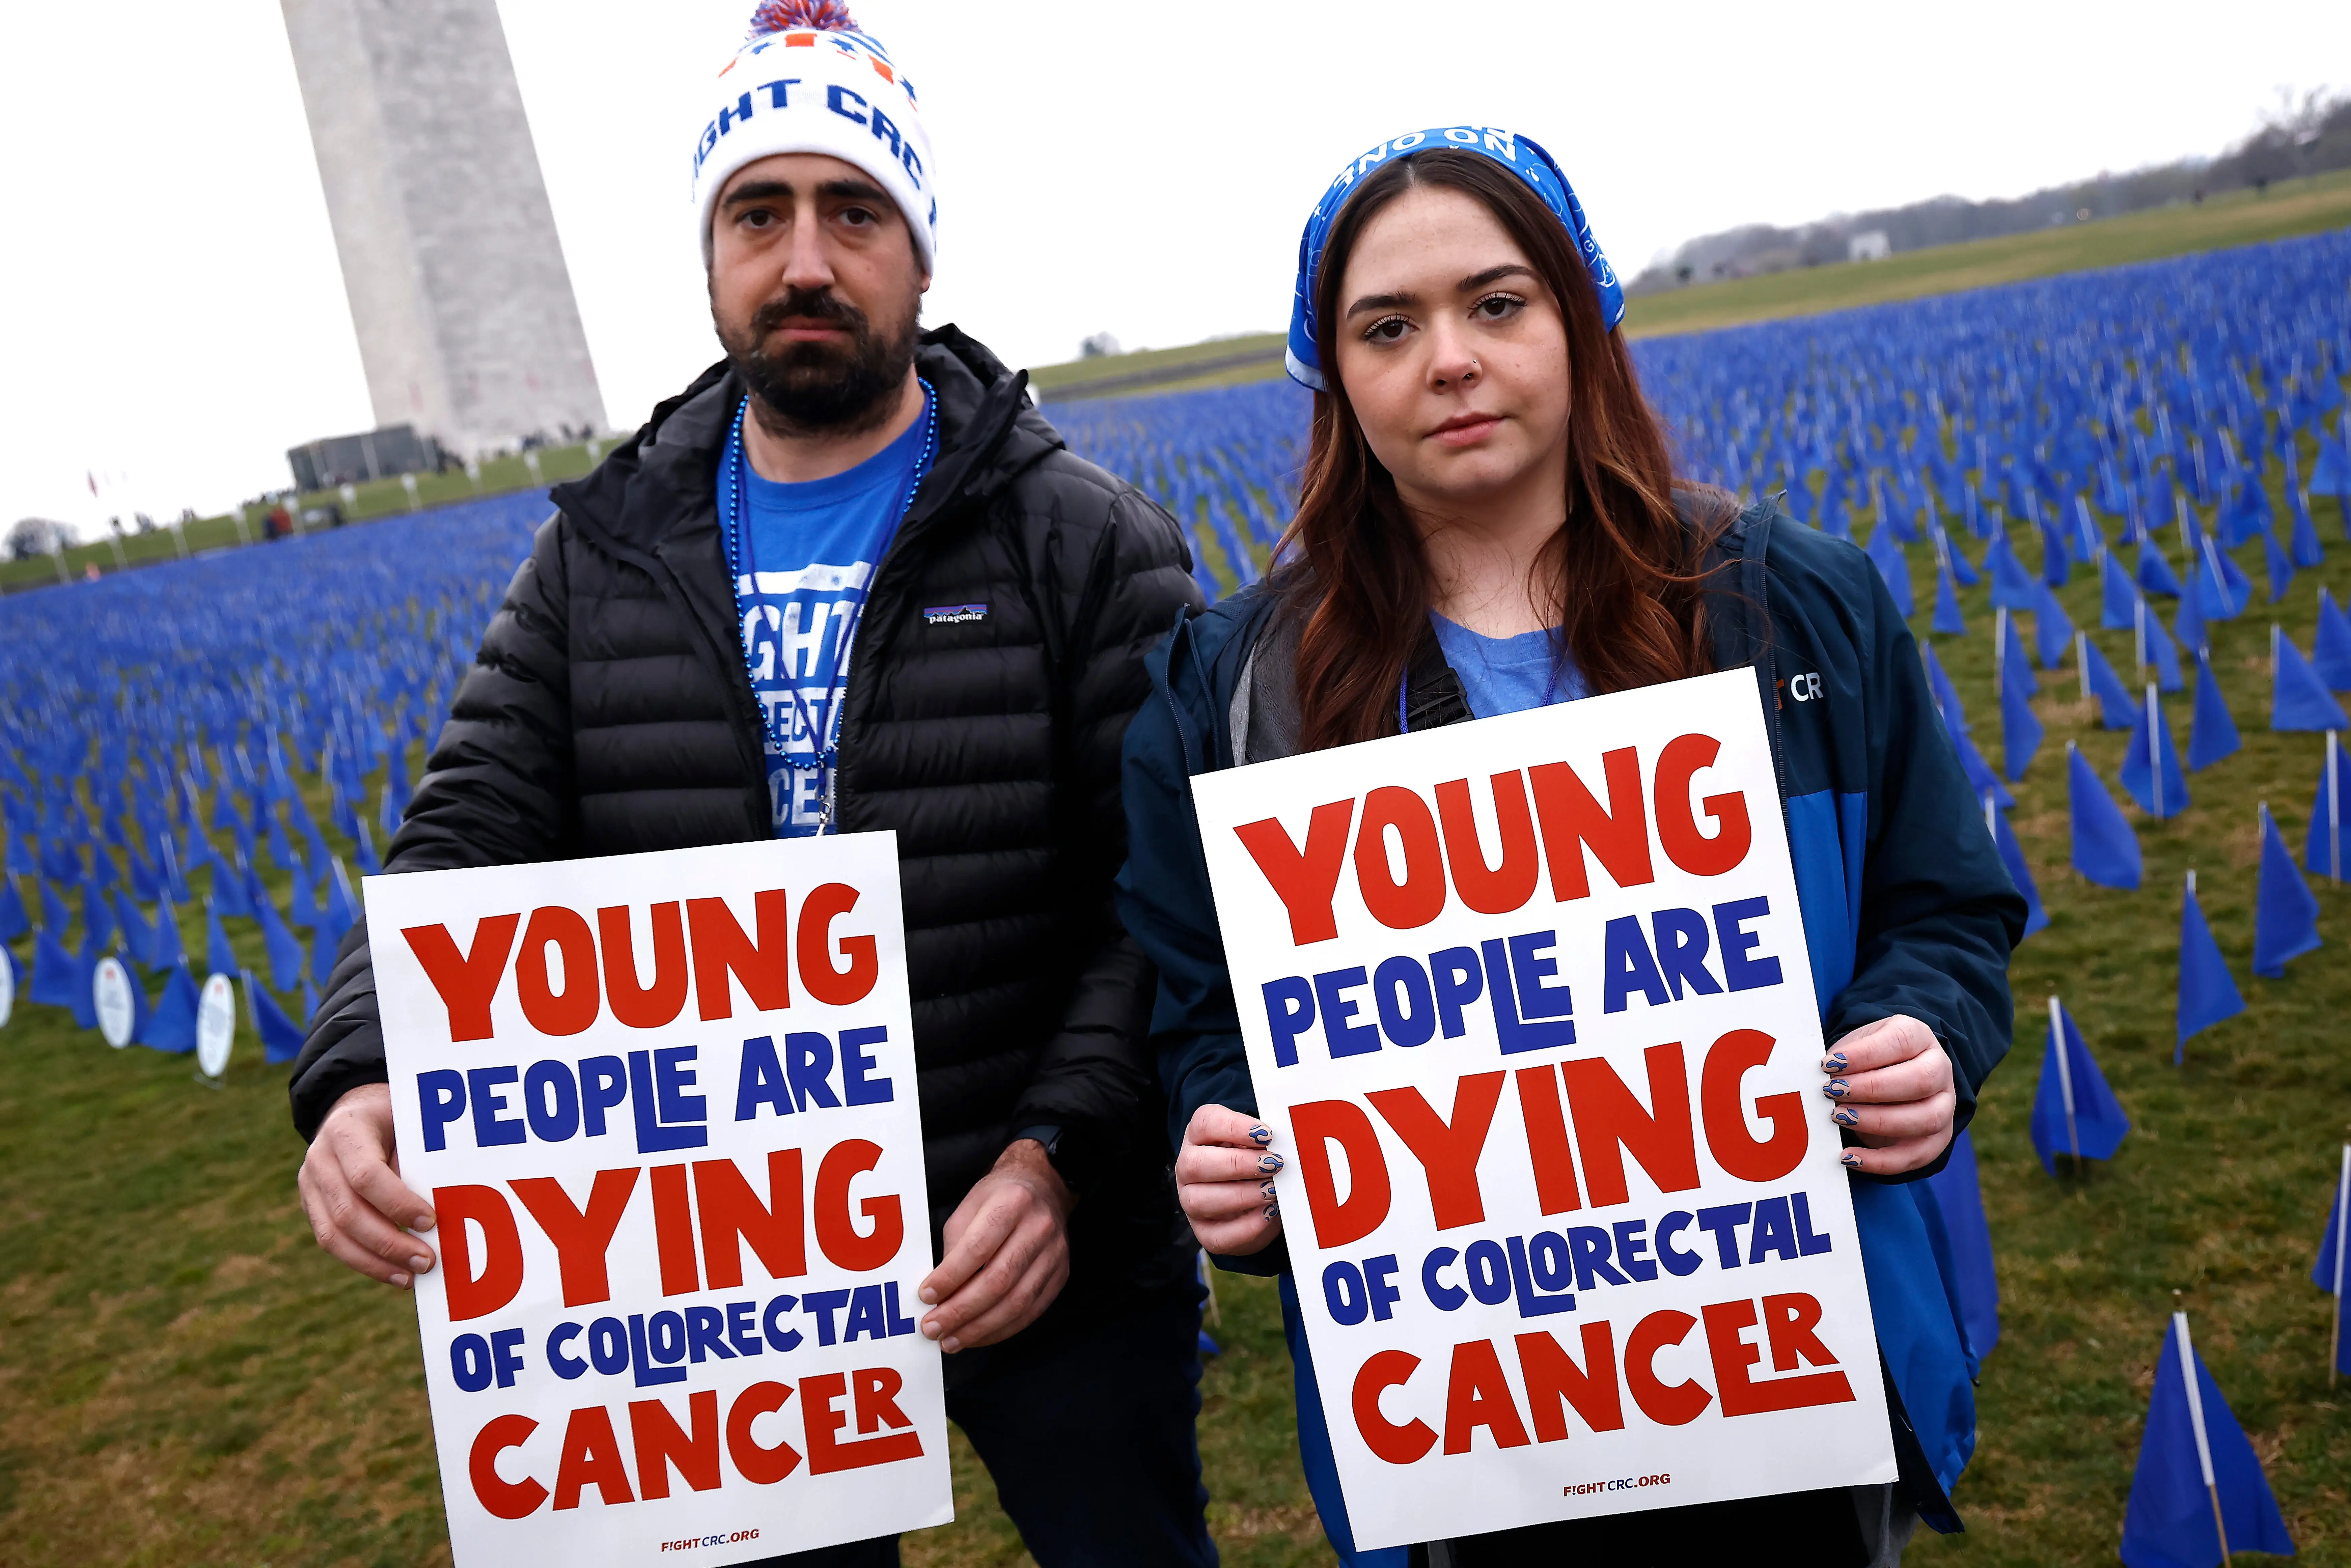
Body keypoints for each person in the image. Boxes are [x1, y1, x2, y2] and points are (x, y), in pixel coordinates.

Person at [288, 4, 1215, 1564]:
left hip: (1043, 1244)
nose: (803, 259)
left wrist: (1057, 1155)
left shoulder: (1085, 539)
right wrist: (365, 1059)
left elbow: (1162, 897)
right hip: (733, 1279)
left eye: (853, 210)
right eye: (757, 212)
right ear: (709, 255)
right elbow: (468, 829)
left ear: (918, 254)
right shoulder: (599, 553)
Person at [1115, 128, 2026, 1568]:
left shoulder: (1792, 607)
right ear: (1333, 378)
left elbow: (1946, 907)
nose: (1450, 359)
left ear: (1579, 321)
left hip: (1784, 1394)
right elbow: (1200, 1017)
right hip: (1466, 1445)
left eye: (1495, 303)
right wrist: (1224, 1145)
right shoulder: (1232, 695)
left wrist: (1925, 1030)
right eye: (1388, 327)